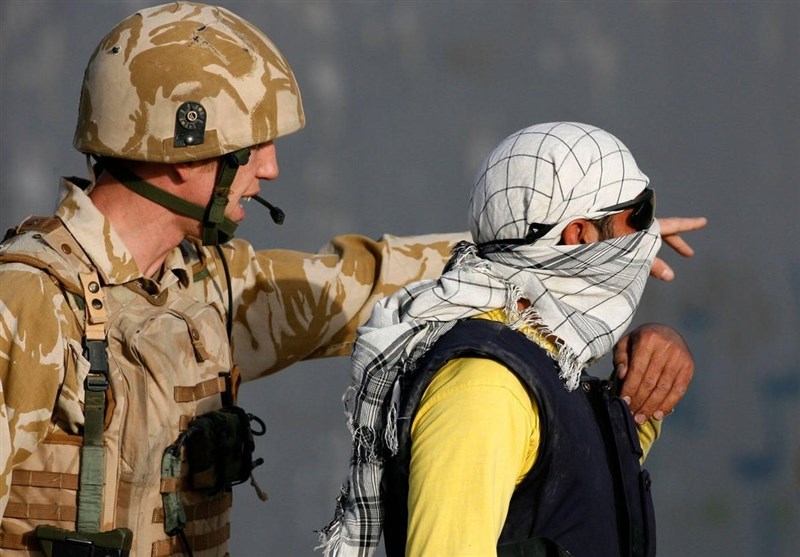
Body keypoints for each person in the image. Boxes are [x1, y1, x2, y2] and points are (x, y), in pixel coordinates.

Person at [0, 3, 702, 556]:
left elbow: (362, 282)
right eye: (252, 146)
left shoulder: (208, 288)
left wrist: (564, 241)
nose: (270, 168)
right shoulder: (30, 302)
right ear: (183, 148)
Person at [321, 122, 696, 557]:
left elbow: (586, 501)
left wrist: (657, 358)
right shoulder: (486, 388)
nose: (649, 234)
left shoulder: (547, 359)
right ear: (580, 236)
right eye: (640, 214)